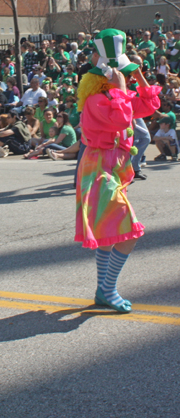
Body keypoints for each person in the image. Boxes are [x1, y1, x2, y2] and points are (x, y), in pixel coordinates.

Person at [75, 29, 161, 313]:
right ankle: (108, 289)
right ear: (103, 77)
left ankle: (103, 290)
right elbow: (120, 118)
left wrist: (137, 76)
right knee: (129, 232)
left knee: (109, 231)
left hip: (115, 169)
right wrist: (122, 87)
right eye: (119, 73)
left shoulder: (116, 96)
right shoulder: (96, 101)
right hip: (99, 168)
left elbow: (149, 105)